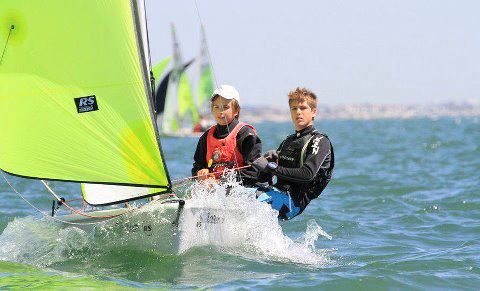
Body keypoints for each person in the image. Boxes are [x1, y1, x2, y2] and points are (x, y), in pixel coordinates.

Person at [252, 87, 334, 220]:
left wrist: (270, 167)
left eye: (303, 108)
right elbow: (265, 178)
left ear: (314, 112)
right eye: (294, 108)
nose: (298, 112)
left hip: (292, 202)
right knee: (231, 193)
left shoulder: (320, 141)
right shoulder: (288, 140)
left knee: (244, 203)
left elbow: (307, 174)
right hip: (274, 192)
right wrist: (263, 165)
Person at [192, 85, 261, 186]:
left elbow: (253, 171)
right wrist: (200, 172)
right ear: (212, 110)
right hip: (213, 191)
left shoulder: (246, 134)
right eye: (216, 107)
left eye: (225, 107)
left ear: (236, 111)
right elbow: (197, 167)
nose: (220, 111)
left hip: (240, 192)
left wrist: (221, 182)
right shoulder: (205, 137)